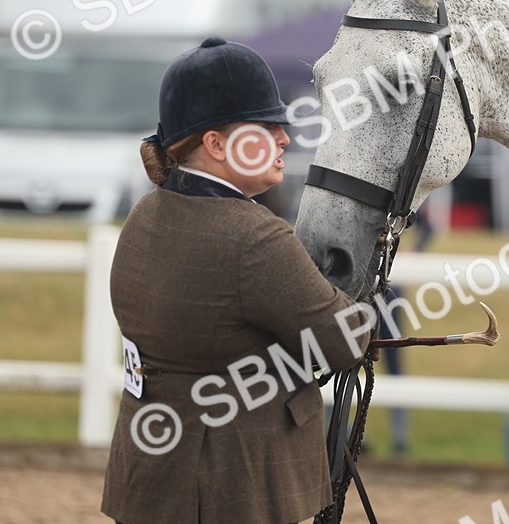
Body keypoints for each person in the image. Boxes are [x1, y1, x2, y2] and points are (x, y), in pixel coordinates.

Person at [101, 36, 370, 524]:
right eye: (265, 127)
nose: (284, 138)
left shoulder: (144, 214)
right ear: (216, 144)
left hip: (148, 477)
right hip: (233, 487)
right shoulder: (255, 236)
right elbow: (343, 341)